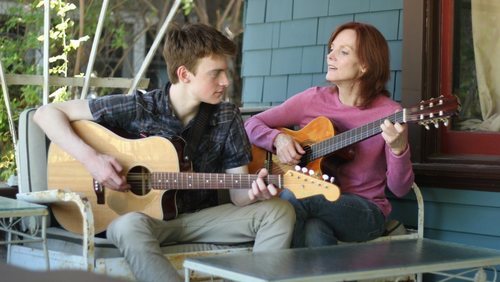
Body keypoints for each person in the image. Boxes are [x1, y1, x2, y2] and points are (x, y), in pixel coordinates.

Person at [34, 23, 295, 282]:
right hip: (145, 221)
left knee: (279, 212)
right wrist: (93, 160)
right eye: (215, 73)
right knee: (127, 227)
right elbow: (46, 114)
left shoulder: (227, 117)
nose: (225, 81)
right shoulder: (140, 107)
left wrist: (254, 192)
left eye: (226, 72)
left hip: (201, 220)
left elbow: (238, 195)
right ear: (184, 74)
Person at [244, 22, 414, 248]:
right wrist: (278, 139)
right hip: (318, 208)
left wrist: (398, 149)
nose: (330, 56)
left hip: (364, 211)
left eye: (343, 52)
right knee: (314, 230)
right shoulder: (312, 100)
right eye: (331, 48)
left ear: (364, 66)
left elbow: (400, 189)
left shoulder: (390, 114)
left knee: (294, 197)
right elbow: (252, 124)